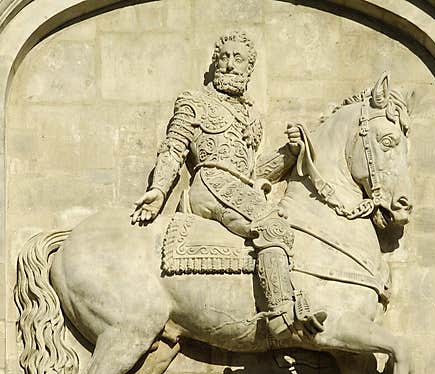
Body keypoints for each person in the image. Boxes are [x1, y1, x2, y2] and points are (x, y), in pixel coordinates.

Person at [130, 29, 325, 337]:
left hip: (239, 187)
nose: (230, 65)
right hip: (210, 184)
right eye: (225, 57)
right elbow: (174, 147)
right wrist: (158, 189)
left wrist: (290, 152)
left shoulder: (251, 117)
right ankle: (281, 314)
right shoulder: (194, 101)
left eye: (239, 59)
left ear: (249, 69)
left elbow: (254, 171)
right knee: (272, 225)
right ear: (216, 63)